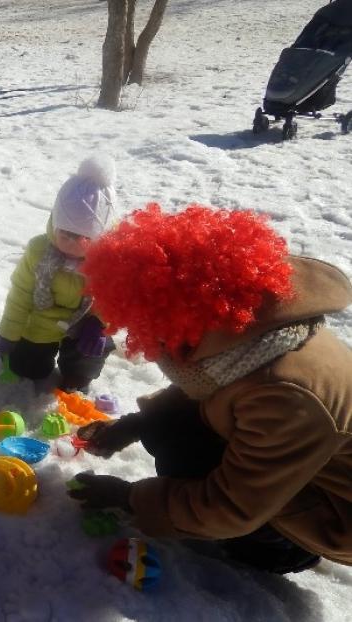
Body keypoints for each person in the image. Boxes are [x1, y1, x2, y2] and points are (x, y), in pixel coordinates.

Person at [67, 204, 352, 574]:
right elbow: (213, 385)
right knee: (167, 429)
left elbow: (231, 507)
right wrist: (136, 425)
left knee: (183, 459)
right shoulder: (249, 329)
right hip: (294, 468)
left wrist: (131, 499)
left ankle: (281, 551)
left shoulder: (285, 396)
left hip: (331, 518)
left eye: (155, 332)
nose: (153, 345)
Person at [0, 157, 117, 392]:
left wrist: (100, 323)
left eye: (81, 238)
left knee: (86, 362)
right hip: (43, 320)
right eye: (65, 234)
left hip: (84, 325)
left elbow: (114, 298)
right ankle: (34, 357)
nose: (70, 243)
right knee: (28, 368)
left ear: (99, 235)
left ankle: (78, 370)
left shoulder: (108, 260)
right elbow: (20, 293)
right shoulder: (39, 251)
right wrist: (8, 334)